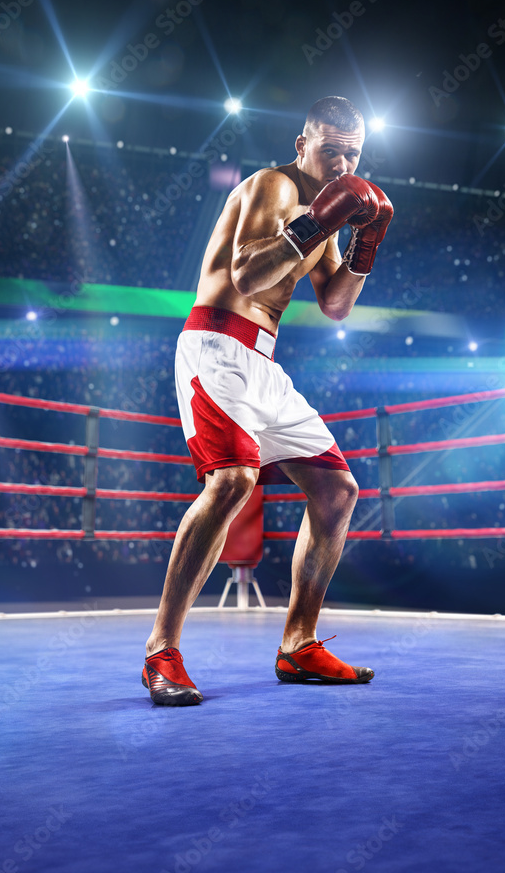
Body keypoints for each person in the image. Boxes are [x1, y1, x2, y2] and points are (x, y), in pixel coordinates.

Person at [143, 95, 393, 705]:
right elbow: (248, 277)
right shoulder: (272, 187)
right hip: (216, 344)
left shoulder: (324, 211)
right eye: (331, 148)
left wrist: (366, 243)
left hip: (262, 361)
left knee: (338, 490)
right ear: (302, 144)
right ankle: (161, 652)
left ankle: (298, 645)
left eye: (353, 153)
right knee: (232, 481)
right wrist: (320, 221)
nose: (342, 163)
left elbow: (334, 306)